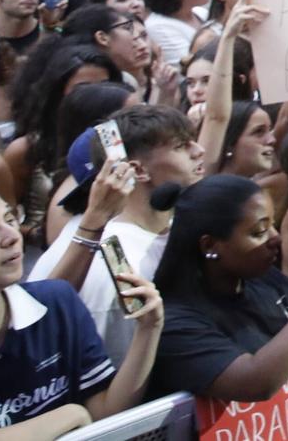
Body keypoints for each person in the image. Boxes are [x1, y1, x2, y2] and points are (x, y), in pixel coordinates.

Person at [147, 175, 288, 400]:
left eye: (273, 225)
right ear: (210, 245)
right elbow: (255, 383)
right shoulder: (176, 322)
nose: (275, 238)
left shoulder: (263, 278)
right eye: (259, 232)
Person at [0, 181, 165, 435]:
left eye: (10, 219)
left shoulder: (55, 301)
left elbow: (104, 414)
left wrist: (150, 328)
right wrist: (70, 414)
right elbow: (82, 415)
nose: (11, 236)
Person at [32, 105, 202, 361]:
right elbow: (115, 372)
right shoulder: (114, 265)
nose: (199, 151)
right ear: (139, 170)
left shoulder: (176, 223)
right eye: (180, 146)